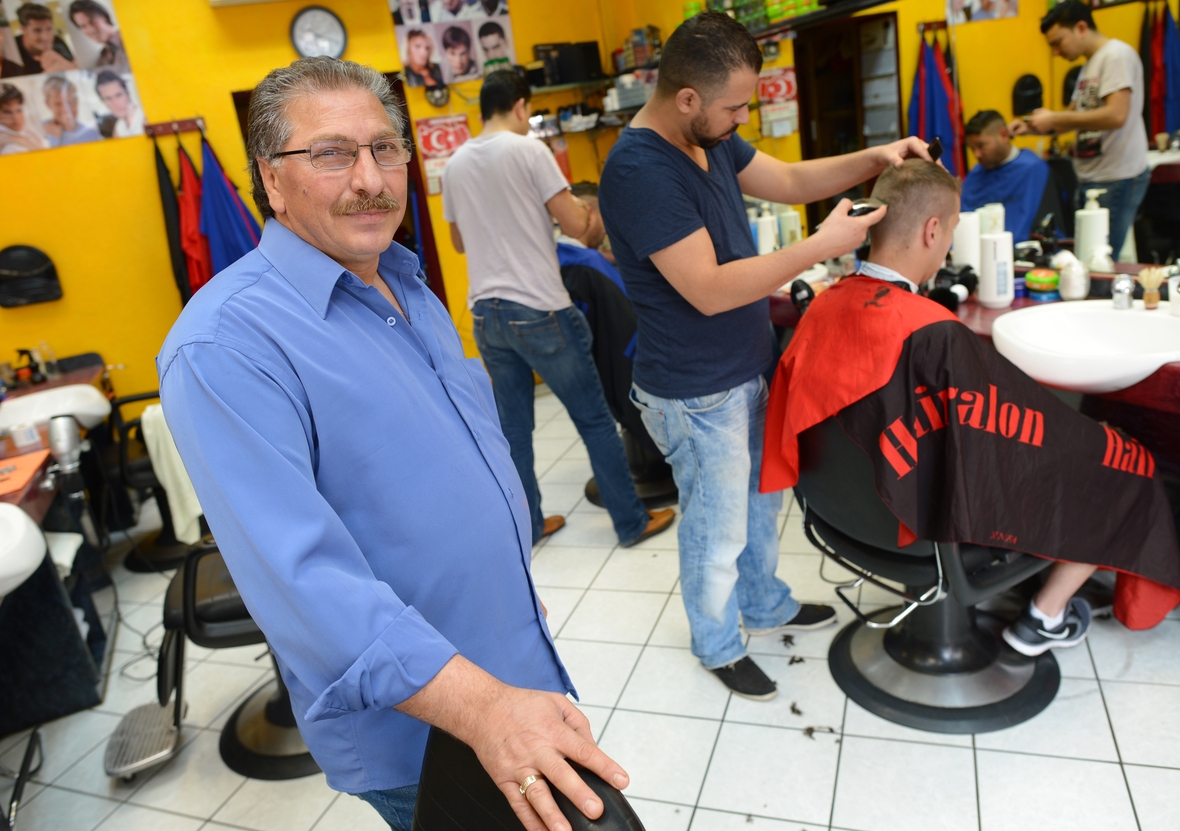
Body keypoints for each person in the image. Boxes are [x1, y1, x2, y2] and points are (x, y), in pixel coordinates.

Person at [158, 56, 630, 831]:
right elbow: (303, 582)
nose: (371, 178)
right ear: (270, 181)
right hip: (429, 724)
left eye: (386, 148)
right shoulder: (225, 345)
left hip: (507, 658)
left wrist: (499, 576)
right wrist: (482, 708)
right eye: (332, 153)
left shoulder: (403, 281)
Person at [599, 11, 934, 700]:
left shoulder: (709, 135)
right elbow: (710, 289)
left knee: (759, 505)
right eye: (735, 106)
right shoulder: (639, 172)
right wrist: (822, 244)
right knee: (715, 527)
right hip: (695, 391)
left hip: (745, 367)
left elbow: (787, 179)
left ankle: (765, 603)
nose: (741, 117)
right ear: (687, 98)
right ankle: (717, 642)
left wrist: (874, 160)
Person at [760, 160, 1180, 656]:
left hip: (842, 513)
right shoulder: (931, 332)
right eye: (953, 230)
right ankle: (1044, 617)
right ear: (932, 229)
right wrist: (1099, 439)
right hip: (920, 526)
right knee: (1125, 463)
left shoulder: (822, 307)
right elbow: (1010, 441)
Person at [443, 70, 675, 548]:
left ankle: (529, 526)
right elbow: (579, 229)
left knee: (515, 431)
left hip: (487, 315)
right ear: (522, 107)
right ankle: (630, 523)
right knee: (592, 420)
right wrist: (590, 210)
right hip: (540, 310)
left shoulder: (455, 164)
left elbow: (459, 241)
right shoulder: (530, 150)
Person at [1011, 0, 1149, 258]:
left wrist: (1057, 118)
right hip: (1092, 177)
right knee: (1087, 257)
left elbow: (1116, 115)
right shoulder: (1090, 65)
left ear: (1081, 28)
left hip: (1116, 177)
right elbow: (1073, 116)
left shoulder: (1115, 55)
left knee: (1099, 260)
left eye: (1057, 42)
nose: (1055, 52)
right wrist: (1030, 128)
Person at [961, 110, 1054, 242]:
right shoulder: (976, 174)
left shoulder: (1032, 169)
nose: (977, 155)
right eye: (972, 148)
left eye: (981, 146)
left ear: (1004, 135)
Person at [7, 3, 76, 75]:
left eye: (49, 29)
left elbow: (75, 68)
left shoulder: (57, 41)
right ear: (23, 29)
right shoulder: (12, 48)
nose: (45, 37)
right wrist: (49, 72)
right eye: (37, 30)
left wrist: (60, 60)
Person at [68, 0, 129, 74]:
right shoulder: (101, 61)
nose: (91, 30)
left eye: (92, 21)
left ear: (104, 17)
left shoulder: (131, 39)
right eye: (83, 26)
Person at [41, 74, 98, 146]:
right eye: (58, 104)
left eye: (70, 102)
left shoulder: (92, 133)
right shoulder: (41, 130)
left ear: (77, 101)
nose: (65, 110)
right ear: (48, 104)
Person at [0, 82, 47, 153]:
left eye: (19, 110)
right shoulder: (10, 147)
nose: (16, 118)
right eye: (7, 112)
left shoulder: (28, 132)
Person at [95, 69, 141, 136]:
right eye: (108, 98)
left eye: (118, 95)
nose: (115, 103)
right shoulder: (118, 128)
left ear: (127, 93)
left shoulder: (147, 117)